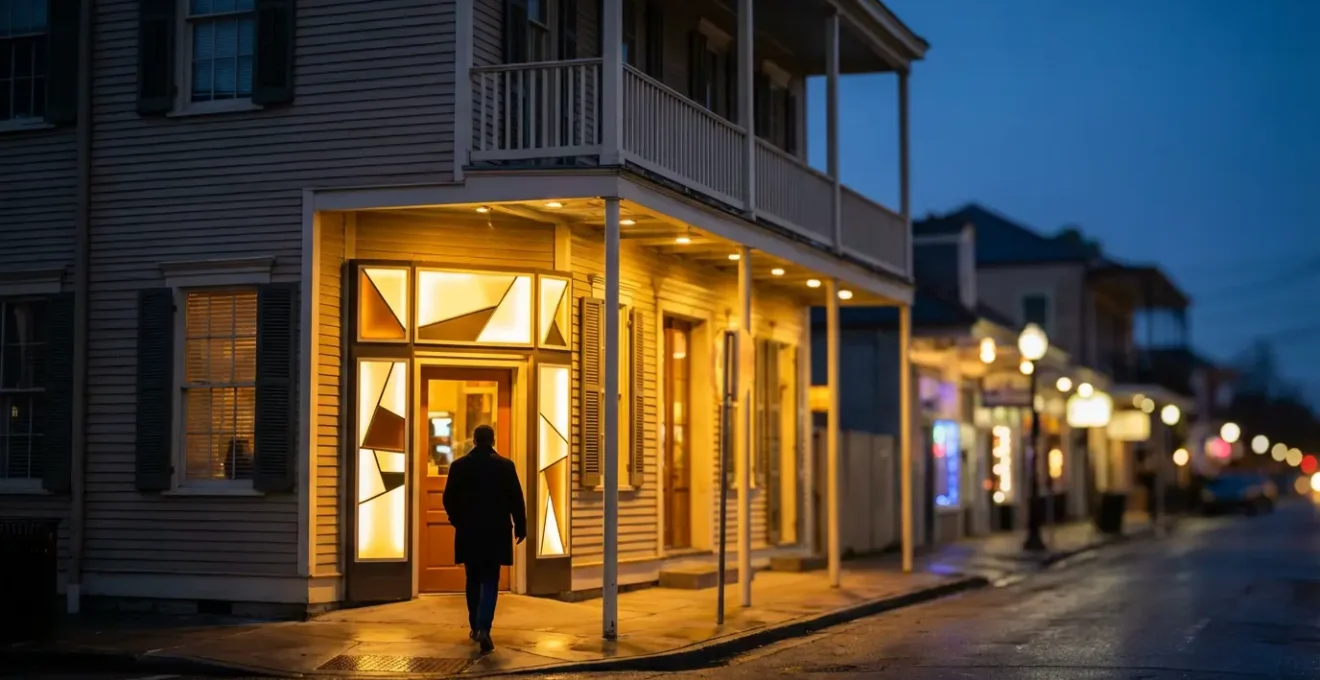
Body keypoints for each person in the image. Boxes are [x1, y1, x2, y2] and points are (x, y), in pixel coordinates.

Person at [442, 424, 526, 653]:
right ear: (493, 440)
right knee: (490, 579)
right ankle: (484, 627)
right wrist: (520, 526)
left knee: (472, 578)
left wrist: (456, 519)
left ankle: (474, 625)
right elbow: (516, 498)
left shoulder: (459, 466)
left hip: (469, 531)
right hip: (496, 531)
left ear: (474, 440)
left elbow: (448, 498)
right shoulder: (505, 466)